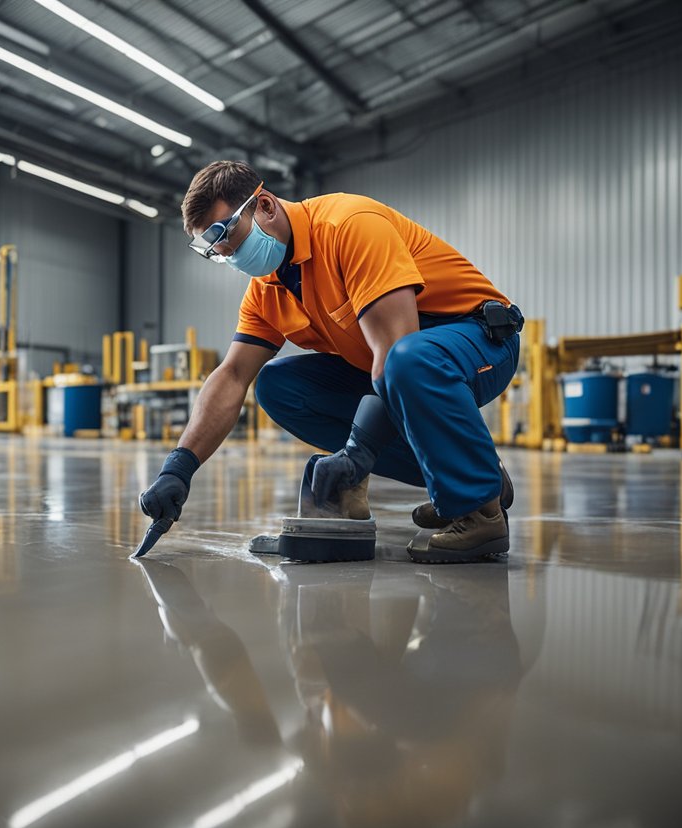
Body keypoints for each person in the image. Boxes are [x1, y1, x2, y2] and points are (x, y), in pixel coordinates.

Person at [139, 161, 522, 562]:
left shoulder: (349, 226)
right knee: (278, 387)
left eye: (225, 234)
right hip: (398, 365)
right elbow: (233, 376)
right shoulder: (266, 289)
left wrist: (357, 452)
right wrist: (178, 468)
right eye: (214, 250)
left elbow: (396, 347)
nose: (228, 254)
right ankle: (476, 476)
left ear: (265, 205)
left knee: (407, 360)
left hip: (476, 340)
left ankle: (479, 510)